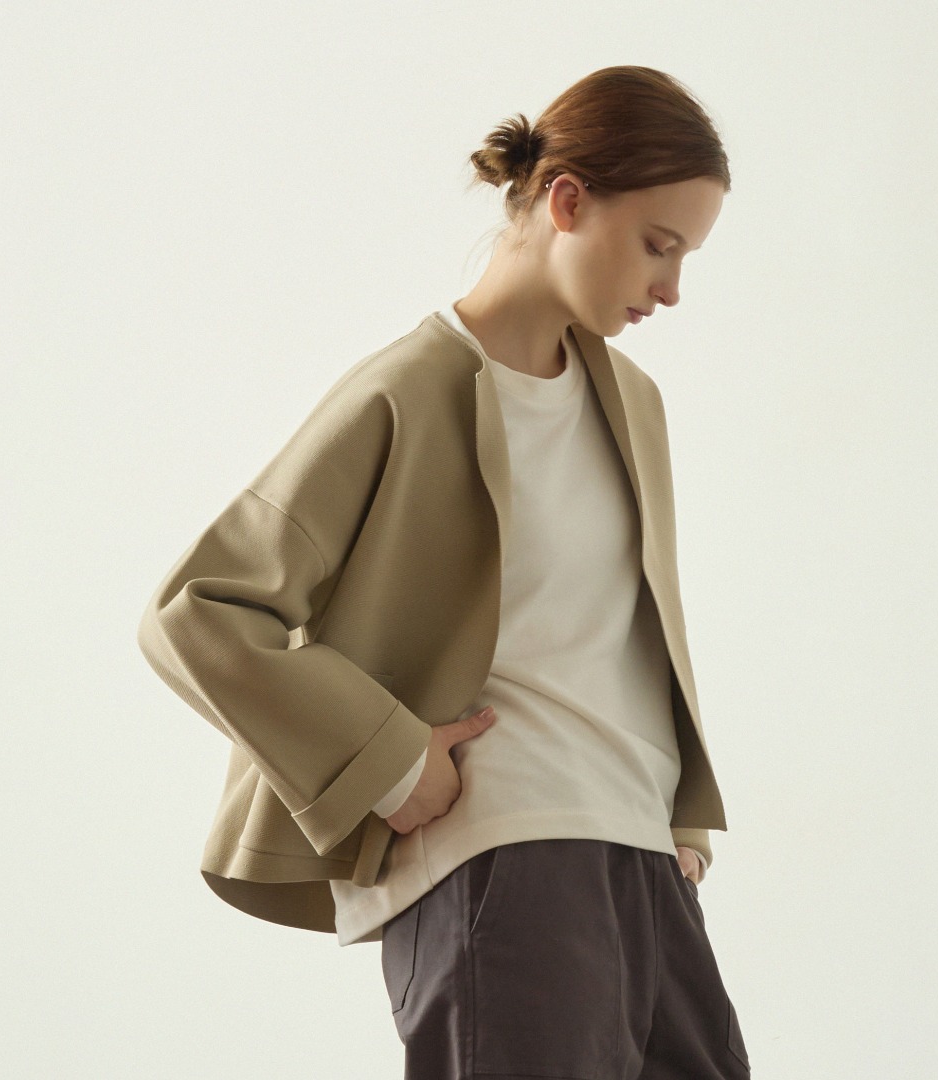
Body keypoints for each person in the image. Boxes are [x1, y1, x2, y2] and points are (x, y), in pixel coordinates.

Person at [137, 64, 749, 1079]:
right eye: (659, 245)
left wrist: (678, 817)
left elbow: (625, 631)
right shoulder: (406, 392)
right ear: (566, 202)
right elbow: (197, 610)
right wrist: (386, 760)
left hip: (643, 858)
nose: (672, 289)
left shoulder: (632, 401)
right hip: (504, 854)